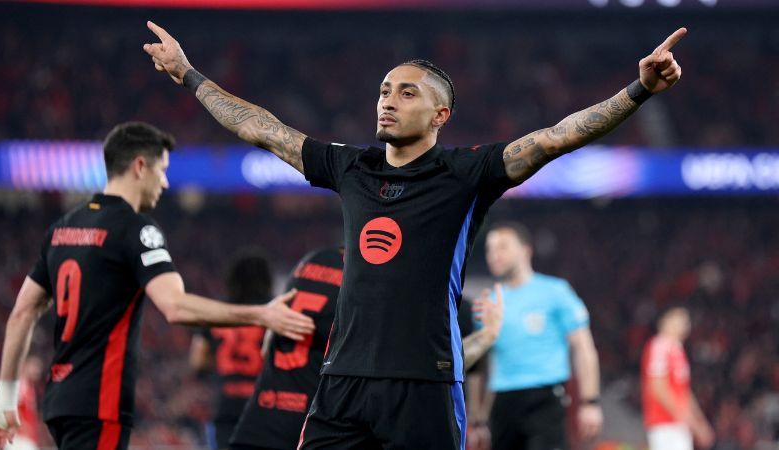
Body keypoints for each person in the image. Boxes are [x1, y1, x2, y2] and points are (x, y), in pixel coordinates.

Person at [143, 21, 685, 449]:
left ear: (440, 115)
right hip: (344, 379)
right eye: (383, 90)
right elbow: (262, 128)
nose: (387, 100)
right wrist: (189, 75)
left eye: (406, 93)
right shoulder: (350, 167)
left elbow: (554, 138)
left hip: (425, 381)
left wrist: (638, 90)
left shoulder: (466, 173)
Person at [0, 121, 315, 450]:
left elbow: (22, 312)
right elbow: (175, 306)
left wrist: (4, 397)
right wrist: (262, 314)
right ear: (140, 166)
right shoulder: (137, 229)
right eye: (162, 169)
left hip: (61, 399)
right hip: (100, 399)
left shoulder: (63, 228)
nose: (166, 183)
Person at [229, 247, 503, 450]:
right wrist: (487, 336)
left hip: (257, 427)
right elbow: (420, 366)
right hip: (313, 429)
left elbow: (268, 347)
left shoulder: (311, 262)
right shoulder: (374, 289)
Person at [468, 222, 602, 450]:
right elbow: (480, 365)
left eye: (502, 247)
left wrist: (590, 401)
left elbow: (583, 346)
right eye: (490, 249)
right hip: (502, 401)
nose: (494, 255)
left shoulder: (556, 292)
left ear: (525, 250)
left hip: (545, 398)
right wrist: (477, 418)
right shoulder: (489, 302)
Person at [189, 251, 274, 450]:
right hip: (265, 404)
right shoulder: (274, 312)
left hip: (226, 404)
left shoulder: (216, 311)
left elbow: (198, 360)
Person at [641, 306, 714, 450]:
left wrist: (700, 421)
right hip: (663, 421)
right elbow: (658, 387)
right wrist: (688, 420)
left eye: (685, 322)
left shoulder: (678, 350)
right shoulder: (659, 346)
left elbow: (684, 392)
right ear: (664, 322)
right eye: (677, 320)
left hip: (678, 423)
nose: (682, 325)